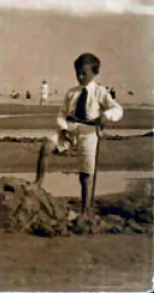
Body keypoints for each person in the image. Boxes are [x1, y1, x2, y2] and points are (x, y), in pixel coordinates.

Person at [34, 53, 123, 215]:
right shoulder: (72, 92)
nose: (80, 77)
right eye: (78, 73)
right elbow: (61, 113)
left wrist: (106, 116)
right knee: (46, 146)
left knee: (86, 173)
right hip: (70, 128)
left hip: (89, 132)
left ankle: (85, 210)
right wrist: (63, 129)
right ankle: (37, 184)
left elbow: (118, 109)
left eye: (84, 73)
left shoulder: (100, 92)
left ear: (94, 72)